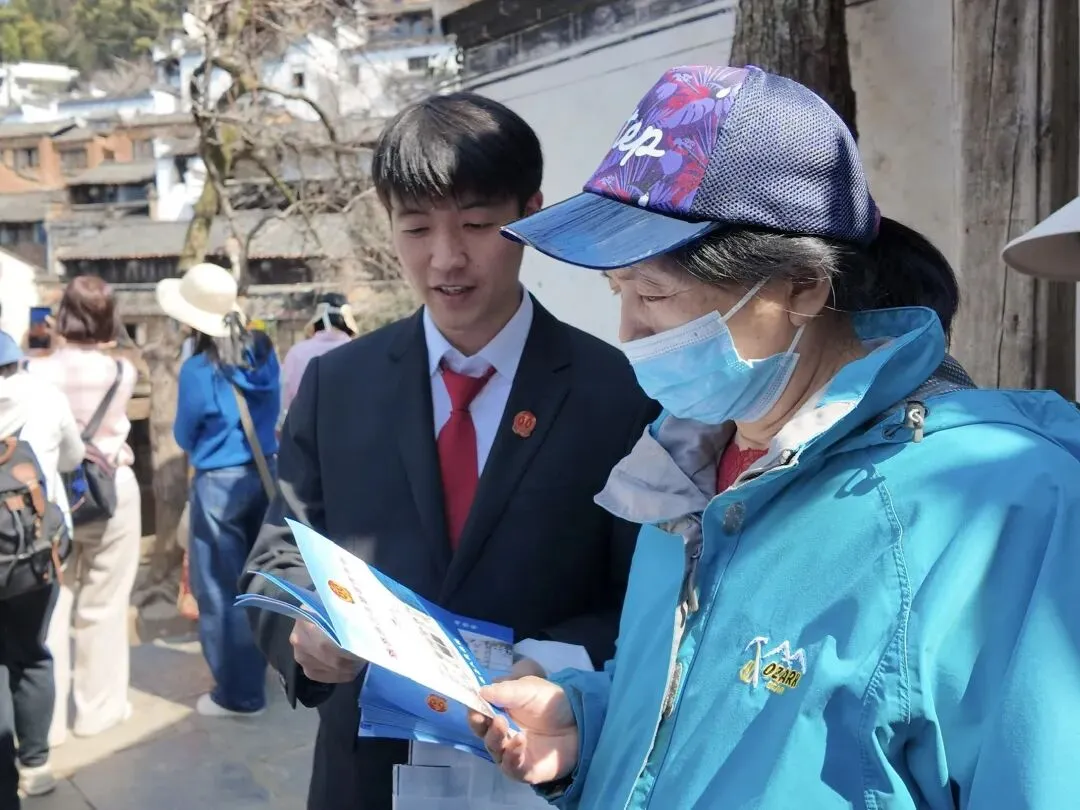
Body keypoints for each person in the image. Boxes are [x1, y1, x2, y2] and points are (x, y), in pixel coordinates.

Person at [472, 65, 1080, 809]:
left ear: (801, 286)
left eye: (655, 293)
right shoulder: (678, 473)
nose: (628, 331)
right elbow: (722, 708)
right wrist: (590, 724)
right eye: (617, 291)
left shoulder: (998, 506)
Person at [241, 91, 657, 810]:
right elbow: (280, 553)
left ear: (530, 214)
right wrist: (302, 629)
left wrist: (552, 664)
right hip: (365, 773)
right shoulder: (337, 385)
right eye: (415, 228)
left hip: (536, 766)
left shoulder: (617, 393)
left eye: (477, 224)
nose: (446, 258)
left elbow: (643, 593)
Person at [158, 262, 281, 718]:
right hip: (266, 475)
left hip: (217, 485)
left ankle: (239, 694)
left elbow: (184, 434)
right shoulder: (265, 354)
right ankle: (264, 666)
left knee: (220, 590)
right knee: (262, 580)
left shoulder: (197, 369)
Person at [29, 276, 140, 745]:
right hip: (112, 490)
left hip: (53, 496)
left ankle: (47, 723)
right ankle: (98, 711)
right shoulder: (122, 371)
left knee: (53, 605)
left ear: (64, 315)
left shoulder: (35, 372)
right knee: (105, 604)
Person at [0, 332, 83, 802]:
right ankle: (36, 765)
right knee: (31, 654)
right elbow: (73, 457)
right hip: (36, 553)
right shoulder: (45, 396)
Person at [280, 293, 357, 415]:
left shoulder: (297, 353)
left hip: (305, 424)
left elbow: (284, 400)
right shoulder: (361, 353)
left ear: (317, 320)